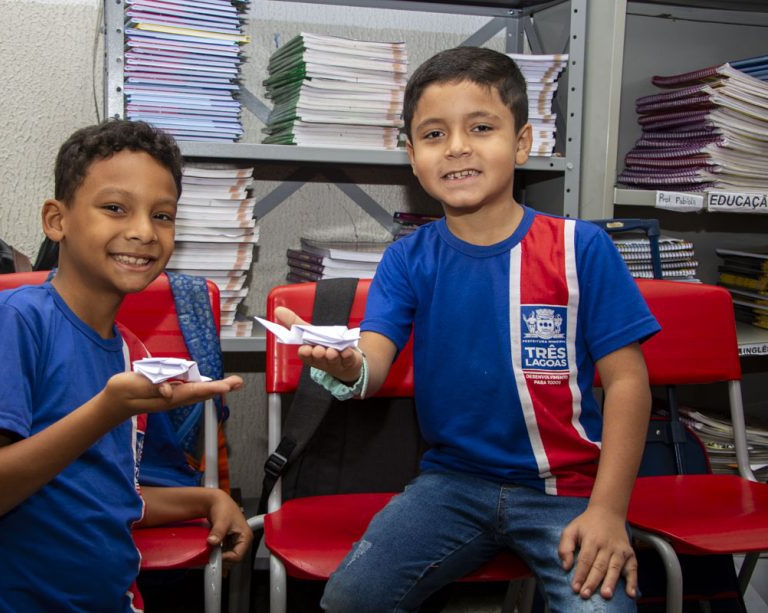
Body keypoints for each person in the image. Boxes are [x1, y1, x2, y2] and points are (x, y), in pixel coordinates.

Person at [275, 46, 661, 612]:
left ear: (523, 142)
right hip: (450, 485)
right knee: (350, 598)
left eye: (481, 127)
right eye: (433, 135)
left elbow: (628, 384)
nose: (456, 147)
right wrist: (344, 365)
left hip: (570, 491)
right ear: (411, 156)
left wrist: (608, 510)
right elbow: (372, 364)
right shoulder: (407, 260)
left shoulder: (583, 249)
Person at [0, 119, 251, 611]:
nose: (144, 232)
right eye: (114, 208)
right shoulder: (13, 324)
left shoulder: (132, 353)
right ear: (56, 220)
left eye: (163, 216)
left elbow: (104, 494)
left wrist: (207, 500)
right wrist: (105, 410)